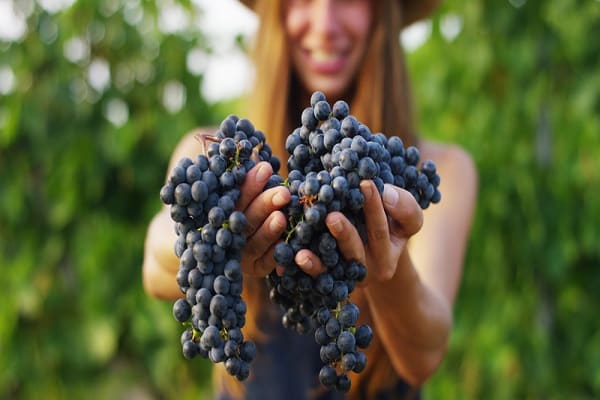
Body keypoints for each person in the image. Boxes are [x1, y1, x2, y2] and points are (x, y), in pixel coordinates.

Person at [143, 0, 477, 399]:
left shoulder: (432, 170)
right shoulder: (218, 155)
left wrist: (388, 268)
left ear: (382, 12)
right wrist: (217, 238)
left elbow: (423, 356)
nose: (325, 23)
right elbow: (155, 264)